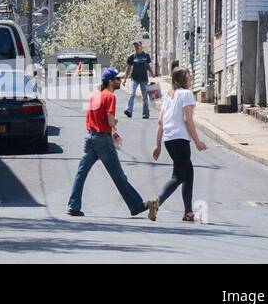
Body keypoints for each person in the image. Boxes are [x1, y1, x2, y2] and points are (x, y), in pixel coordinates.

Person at [67, 67, 158, 220]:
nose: (120, 81)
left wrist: (112, 132)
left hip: (90, 138)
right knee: (118, 175)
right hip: (103, 140)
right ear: (110, 81)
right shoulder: (110, 97)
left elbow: (91, 119)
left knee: (81, 173)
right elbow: (110, 119)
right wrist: (115, 122)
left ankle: (73, 206)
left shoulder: (95, 96)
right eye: (117, 79)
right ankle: (136, 205)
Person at [153, 67, 207, 222]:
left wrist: (158, 145)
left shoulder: (170, 95)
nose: (191, 78)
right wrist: (197, 142)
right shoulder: (187, 94)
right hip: (180, 139)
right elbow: (187, 119)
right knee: (179, 175)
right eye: (188, 76)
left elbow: (160, 121)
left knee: (188, 173)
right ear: (181, 79)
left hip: (169, 139)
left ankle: (188, 212)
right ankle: (157, 202)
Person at [124, 40, 152, 119]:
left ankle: (145, 114)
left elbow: (148, 66)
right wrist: (125, 79)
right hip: (134, 78)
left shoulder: (146, 55)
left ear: (141, 46)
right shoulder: (132, 57)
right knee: (132, 94)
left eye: (137, 45)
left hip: (144, 79)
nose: (136, 47)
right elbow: (128, 68)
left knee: (144, 97)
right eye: (135, 46)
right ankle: (129, 110)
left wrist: (152, 73)